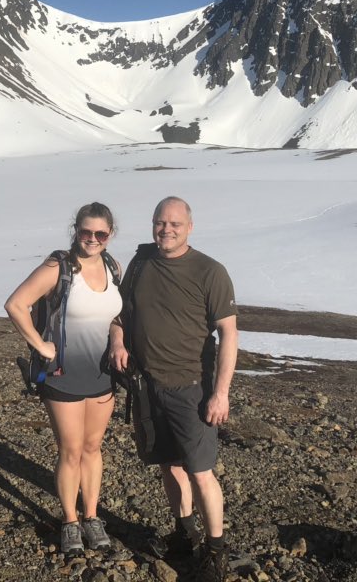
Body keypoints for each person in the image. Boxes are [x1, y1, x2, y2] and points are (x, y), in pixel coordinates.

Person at [108, 196, 238, 582]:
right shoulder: (142, 261)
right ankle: (184, 533)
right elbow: (122, 312)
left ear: (189, 227)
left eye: (174, 224)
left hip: (192, 388)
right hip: (148, 386)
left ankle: (215, 552)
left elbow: (229, 334)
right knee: (169, 464)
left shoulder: (209, 271)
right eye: (160, 223)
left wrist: (221, 392)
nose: (166, 230)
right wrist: (118, 341)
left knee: (200, 472)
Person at [4, 202, 122, 556]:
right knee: (70, 451)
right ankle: (70, 521)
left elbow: (118, 315)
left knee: (92, 448)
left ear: (109, 235)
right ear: (76, 230)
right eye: (86, 232)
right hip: (62, 376)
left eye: (100, 234)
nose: (92, 239)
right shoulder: (59, 266)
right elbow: (15, 303)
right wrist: (40, 344)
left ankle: (92, 516)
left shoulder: (113, 267)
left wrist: (118, 339)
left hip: (102, 375)